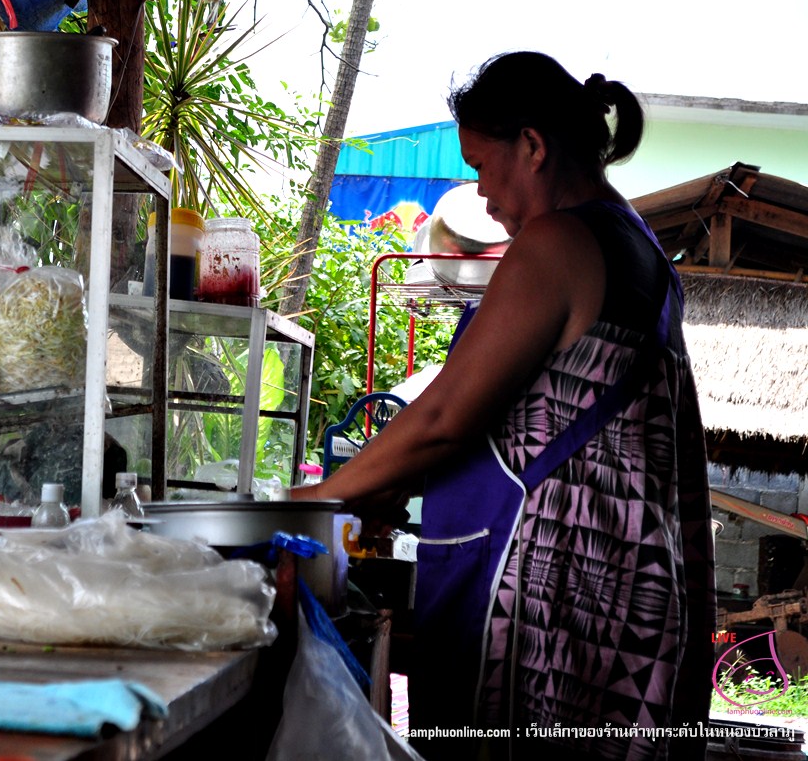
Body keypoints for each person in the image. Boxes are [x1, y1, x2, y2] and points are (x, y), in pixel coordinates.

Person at [293, 51, 715, 760]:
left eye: (482, 166)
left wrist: (312, 500)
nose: (482, 194)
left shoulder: (558, 242)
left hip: (539, 601)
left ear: (533, 146)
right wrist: (387, 486)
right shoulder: (640, 249)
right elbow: (531, 416)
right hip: (619, 599)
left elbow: (441, 421)